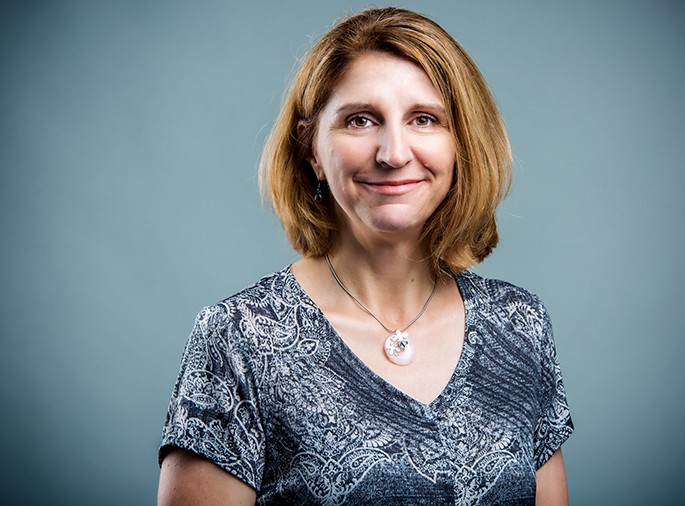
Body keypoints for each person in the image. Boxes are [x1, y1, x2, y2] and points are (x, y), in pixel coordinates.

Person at [157, 7, 573, 505]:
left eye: (424, 119)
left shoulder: (520, 327)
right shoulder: (239, 340)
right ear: (311, 147)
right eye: (360, 120)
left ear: (461, 142)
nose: (393, 153)